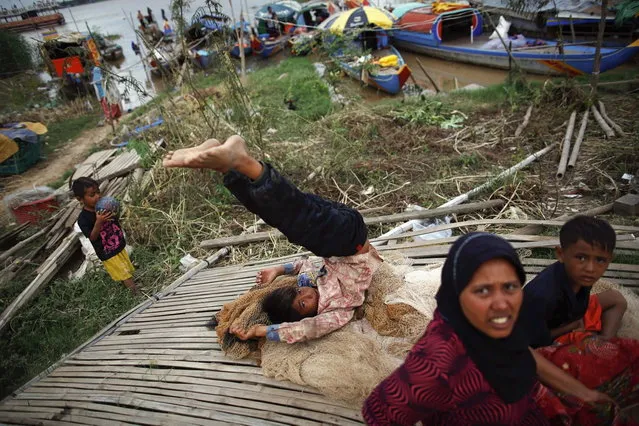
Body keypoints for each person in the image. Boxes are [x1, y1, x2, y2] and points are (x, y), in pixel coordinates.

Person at [363, 233, 612, 425]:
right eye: (482, 290)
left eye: (510, 287)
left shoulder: (492, 326)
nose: (502, 304)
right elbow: (379, 414)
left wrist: (583, 394)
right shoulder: (438, 359)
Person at [162, 136, 382, 344]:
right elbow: (309, 329)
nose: (304, 293)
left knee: (282, 215)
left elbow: (303, 265)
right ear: (309, 314)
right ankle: (236, 162)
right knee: (295, 222)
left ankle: (229, 168)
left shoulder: (313, 285)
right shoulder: (338, 310)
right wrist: (262, 331)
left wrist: (279, 269)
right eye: (303, 303)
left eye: (298, 293)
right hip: (350, 242)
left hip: (341, 235)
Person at [525, 216, 627, 347]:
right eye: (581, 258)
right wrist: (572, 327)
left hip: (571, 315)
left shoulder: (579, 276)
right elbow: (531, 339)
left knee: (616, 298)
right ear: (561, 254)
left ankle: (605, 340)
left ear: (609, 259)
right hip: (548, 333)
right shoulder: (543, 295)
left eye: (600, 260)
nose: (590, 268)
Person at [73, 177, 138, 294]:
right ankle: (136, 294)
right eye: (92, 195)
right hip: (107, 252)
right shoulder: (83, 219)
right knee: (124, 273)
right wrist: (98, 221)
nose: (98, 196)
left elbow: (115, 220)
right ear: (80, 199)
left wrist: (114, 210)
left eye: (98, 192)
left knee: (126, 268)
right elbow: (92, 237)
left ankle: (129, 286)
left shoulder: (104, 207)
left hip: (118, 244)